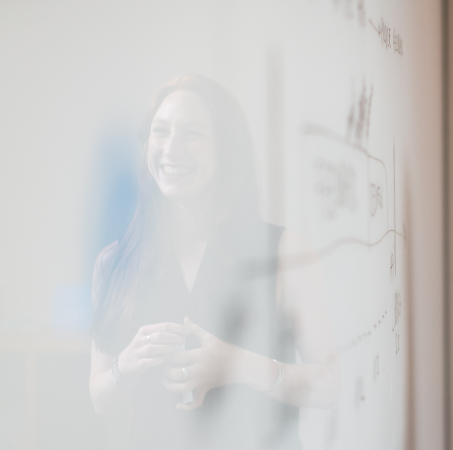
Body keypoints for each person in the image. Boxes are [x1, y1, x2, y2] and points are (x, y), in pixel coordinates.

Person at [89, 74, 339, 449]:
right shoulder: (114, 262)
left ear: (226, 149)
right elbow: (101, 402)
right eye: (161, 131)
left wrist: (240, 366)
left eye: (193, 133)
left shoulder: (286, 253)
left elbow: (329, 385)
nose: (171, 149)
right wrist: (127, 363)